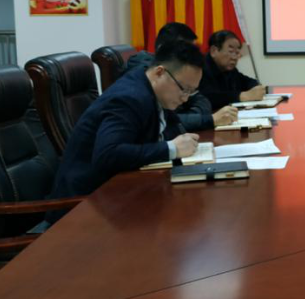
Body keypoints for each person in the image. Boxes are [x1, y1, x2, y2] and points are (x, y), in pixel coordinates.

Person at [45, 40, 206, 224]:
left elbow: (169, 129)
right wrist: (171, 149)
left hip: (113, 198)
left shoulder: (152, 89)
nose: (185, 98)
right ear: (159, 72)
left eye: (191, 92)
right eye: (184, 89)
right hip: (82, 208)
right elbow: (108, 154)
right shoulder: (129, 97)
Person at [124, 22, 237, 131]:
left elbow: (202, 99)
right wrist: (204, 119)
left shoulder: (181, 72)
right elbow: (161, 122)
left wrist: (190, 117)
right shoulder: (145, 72)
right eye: (184, 50)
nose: (190, 56)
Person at [199, 30, 265, 108]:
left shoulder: (230, 69)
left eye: (237, 53)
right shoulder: (200, 69)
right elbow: (208, 97)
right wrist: (242, 96)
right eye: (231, 52)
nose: (234, 58)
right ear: (214, 51)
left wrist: (256, 88)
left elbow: (247, 81)